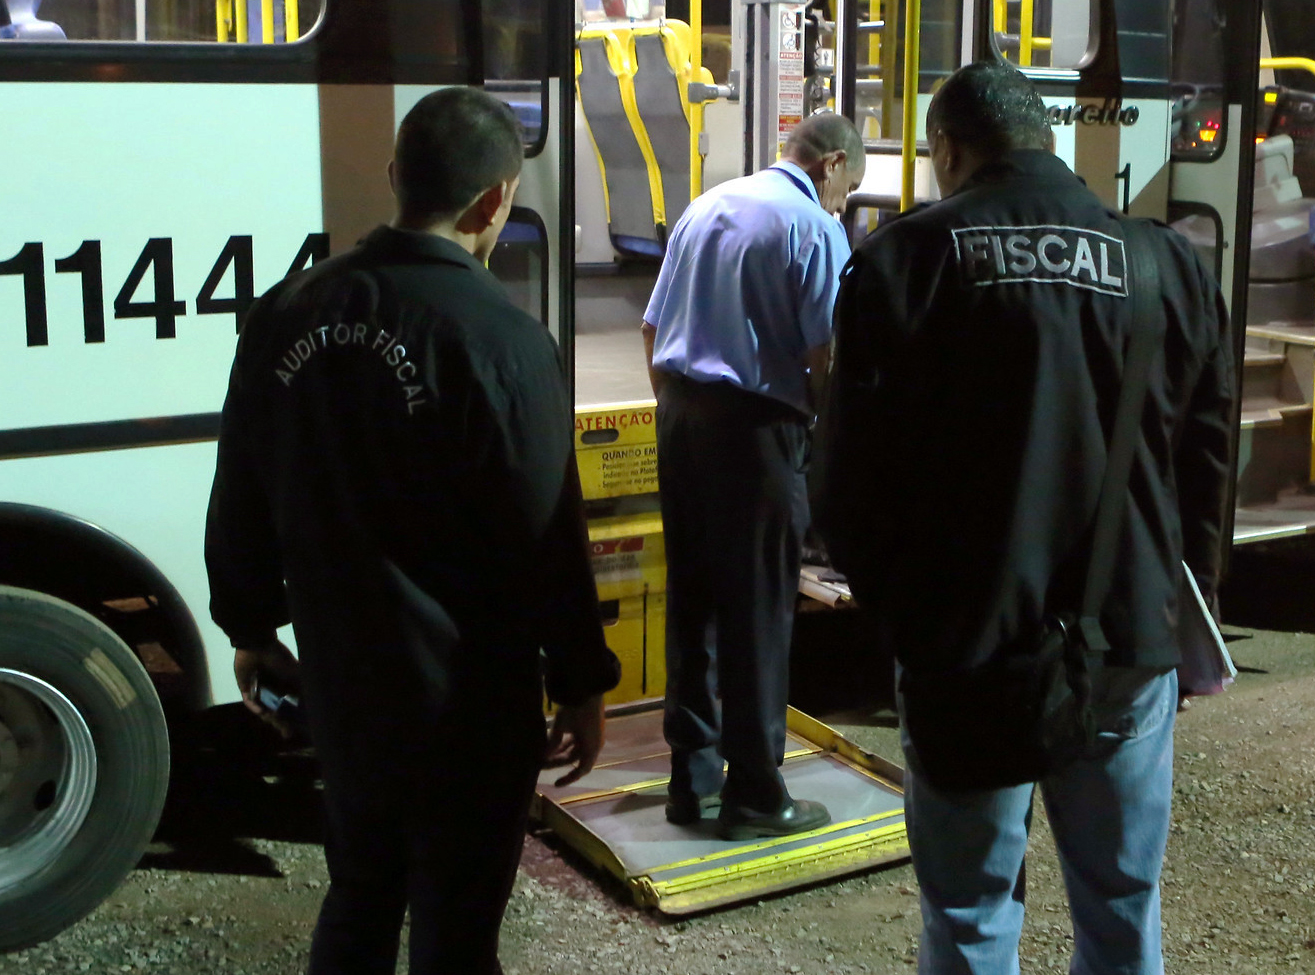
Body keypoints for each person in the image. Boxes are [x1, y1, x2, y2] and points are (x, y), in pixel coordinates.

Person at [816, 61, 1234, 975]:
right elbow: (1206, 466)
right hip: (1126, 633)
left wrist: (901, 622)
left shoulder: (905, 262)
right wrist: (1177, 608)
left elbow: (846, 481)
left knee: (967, 914)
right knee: (1122, 902)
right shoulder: (1166, 265)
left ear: (950, 150)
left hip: (964, 644)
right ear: (1046, 141)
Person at [205, 86, 620, 975]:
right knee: (458, 926)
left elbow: (240, 485)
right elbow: (547, 532)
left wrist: (247, 628)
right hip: (470, 703)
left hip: (344, 684)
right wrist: (583, 681)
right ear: (494, 201)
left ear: (395, 177)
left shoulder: (287, 311)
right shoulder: (503, 337)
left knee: (358, 897)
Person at [642, 113, 863, 839]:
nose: (842, 206)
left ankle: (692, 780)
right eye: (847, 190)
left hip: (678, 415)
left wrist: (680, 412)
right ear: (830, 164)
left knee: (695, 603)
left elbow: (652, 329)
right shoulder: (810, 225)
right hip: (756, 428)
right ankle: (759, 797)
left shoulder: (708, 205)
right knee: (760, 615)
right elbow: (824, 354)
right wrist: (825, 449)